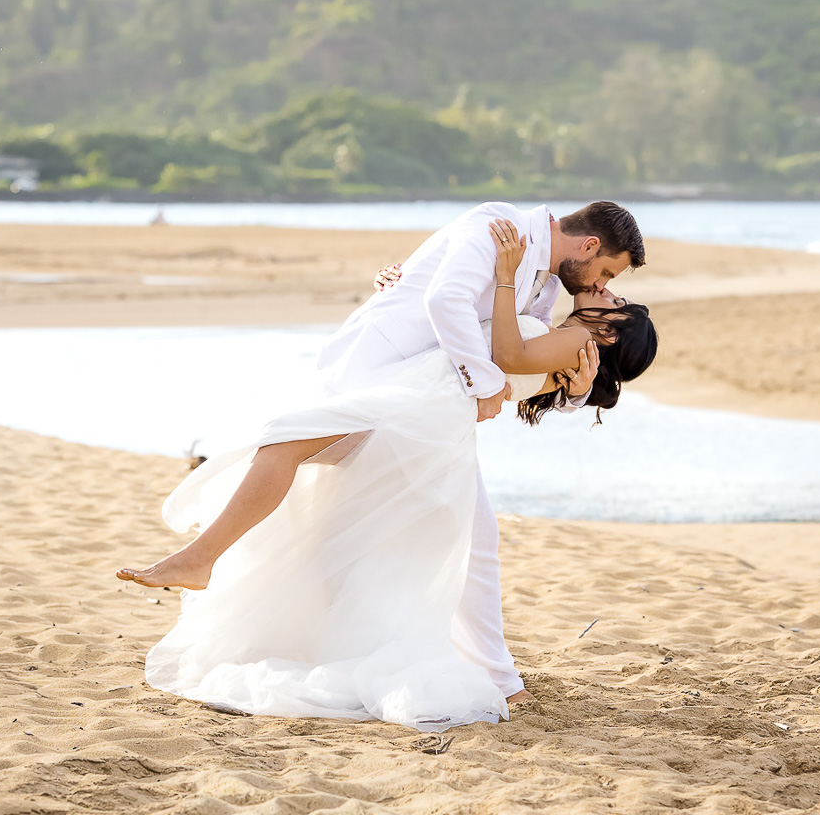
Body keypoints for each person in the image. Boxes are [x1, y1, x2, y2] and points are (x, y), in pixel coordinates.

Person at [115, 201, 655, 728]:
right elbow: (454, 308)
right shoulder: (503, 229)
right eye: (606, 272)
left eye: (609, 285)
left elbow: (515, 353)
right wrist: (417, 290)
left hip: (427, 404)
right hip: (388, 378)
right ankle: (216, 566)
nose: (599, 286)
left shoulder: (549, 287)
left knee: (438, 531)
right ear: (588, 246)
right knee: (336, 490)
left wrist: (567, 391)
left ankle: (213, 564)